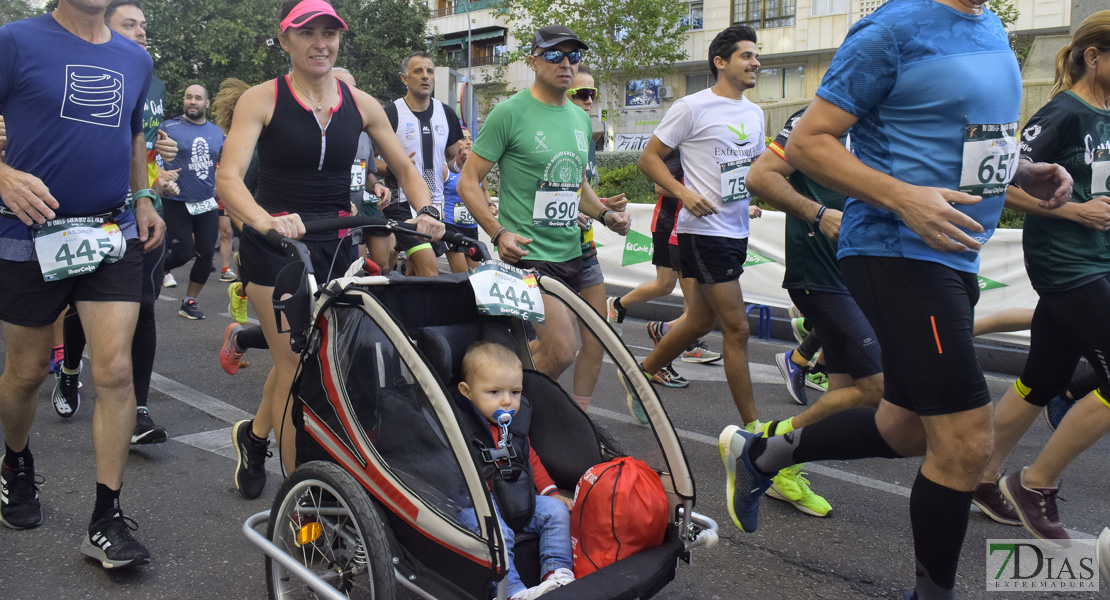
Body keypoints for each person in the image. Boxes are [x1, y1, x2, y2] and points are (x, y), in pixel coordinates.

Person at [718, 0, 1073, 597]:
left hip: (955, 250)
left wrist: (1020, 169)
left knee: (905, 430)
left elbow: (959, 133)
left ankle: (764, 454)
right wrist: (904, 198)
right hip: (897, 248)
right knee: (965, 442)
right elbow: (807, 144)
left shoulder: (987, 25)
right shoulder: (891, 29)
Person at [215, 0, 443, 498]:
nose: (321, 43)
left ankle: (253, 438)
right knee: (300, 370)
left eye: (329, 33)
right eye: (308, 33)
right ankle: (305, 504)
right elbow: (228, 179)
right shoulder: (262, 98)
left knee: (310, 362)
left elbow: (405, 168)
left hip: (338, 246)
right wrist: (265, 221)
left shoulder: (359, 103)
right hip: (275, 249)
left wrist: (427, 211)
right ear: (285, 40)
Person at [0, 0, 165, 568]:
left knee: (114, 369)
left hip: (108, 230)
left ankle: (107, 517)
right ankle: (15, 463)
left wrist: (143, 196)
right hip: (30, 231)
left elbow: (134, 132)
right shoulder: (16, 41)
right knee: (24, 375)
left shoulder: (134, 59)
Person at [970, 12, 1109, 544]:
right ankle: (1034, 484)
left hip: (1098, 260)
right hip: (1067, 264)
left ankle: (982, 480)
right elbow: (998, 179)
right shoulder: (1063, 113)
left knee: (1043, 379)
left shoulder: (1106, 113)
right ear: (1093, 56)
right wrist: (1074, 212)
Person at [458, 25, 631, 382]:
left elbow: (576, 183)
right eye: (554, 54)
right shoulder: (509, 113)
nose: (566, 63)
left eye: (574, 55)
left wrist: (604, 214)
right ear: (533, 62)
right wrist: (498, 232)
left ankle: (496, 398)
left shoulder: (581, 119)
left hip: (572, 256)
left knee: (545, 354)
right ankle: (511, 417)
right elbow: (468, 181)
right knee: (563, 350)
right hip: (529, 257)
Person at [746, 103, 891, 518]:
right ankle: (761, 446)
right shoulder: (818, 117)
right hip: (821, 277)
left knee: (851, 396)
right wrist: (818, 212)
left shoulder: (893, 118)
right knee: (877, 388)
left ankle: (779, 461)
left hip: (859, 276)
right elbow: (760, 176)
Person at [49, 0, 177, 449]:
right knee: (77, 302)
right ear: (104, 24)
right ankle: (69, 370)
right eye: (131, 24)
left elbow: (137, 140)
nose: (141, 32)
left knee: (140, 307)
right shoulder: (65, 61)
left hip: (133, 216)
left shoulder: (148, 77)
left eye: (144, 25)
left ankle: (138, 409)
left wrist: (157, 172)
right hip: (76, 216)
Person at [633, 25, 764, 427]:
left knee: (698, 321)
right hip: (703, 232)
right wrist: (683, 192)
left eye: (757, 55)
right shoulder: (693, 106)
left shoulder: (755, 113)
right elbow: (649, 158)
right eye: (746, 55)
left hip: (735, 229)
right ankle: (754, 432)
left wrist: (752, 198)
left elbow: (753, 169)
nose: (755, 62)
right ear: (720, 62)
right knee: (737, 328)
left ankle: (640, 376)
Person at [454, 342, 575, 600]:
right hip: (475, 507)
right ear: (467, 392)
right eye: (494, 392)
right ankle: (512, 592)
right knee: (498, 531)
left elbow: (530, 460)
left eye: (516, 392)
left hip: (515, 499)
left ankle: (558, 573)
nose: (507, 401)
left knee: (556, 512)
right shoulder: (460, 426)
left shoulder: (515, 429)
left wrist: (551, 493)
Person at [564, 64, 628, 410]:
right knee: (555, 349)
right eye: (581, 93)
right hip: (548, 252)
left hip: (584, 249)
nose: (589, 101)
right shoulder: (548, 130)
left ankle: (579, 416)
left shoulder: (585, 136)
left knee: (596, 338)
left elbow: (579, 191)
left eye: (592, 94)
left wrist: (604, 209)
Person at [381, 51, 466, 277]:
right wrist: (394, 167)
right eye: (418, 71)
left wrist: (459, 161)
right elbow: (367, 162)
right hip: (401, 203)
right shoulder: (391, 114)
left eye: (429, 71)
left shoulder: (446, 113)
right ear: (404, 78)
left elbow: (453, 162)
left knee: (414, 268)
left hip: (434, 204)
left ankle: (400, 311)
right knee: (429, 267)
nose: (425, 76)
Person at [159, 84, 225, 319]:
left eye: (198, 98)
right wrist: (161, 176)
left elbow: (222, 166)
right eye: (188, 97)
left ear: (206, 104)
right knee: (182, 252)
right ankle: (155, 271)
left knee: (207, 253)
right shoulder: (168, 127)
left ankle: (189, 301)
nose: (192, 101)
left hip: (206, 202)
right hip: (177, 200)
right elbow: (149, 157)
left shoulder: (217, 133)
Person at [331, 67, 394, 273]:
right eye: (345, 87)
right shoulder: (319, 128)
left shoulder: (363, 131)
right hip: (326, 226)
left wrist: (376, 186)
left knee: (353, 279)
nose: (351, 93)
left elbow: (366, 171)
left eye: (354, 88)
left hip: (354, 226)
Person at [442, 126, 486, 273]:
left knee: (476, 277)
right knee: (461, 276)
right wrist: (435, 208)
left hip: (471, 227)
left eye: (470, 138)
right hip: (452, 227)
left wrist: (490, 204)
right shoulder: (445, 168)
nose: (468, 142)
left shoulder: (477, 167)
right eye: (463, 138)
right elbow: (431, 190)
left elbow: (484, 190)